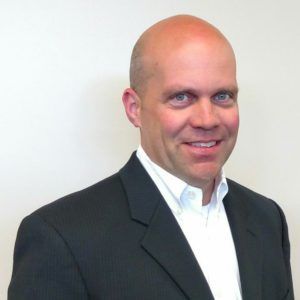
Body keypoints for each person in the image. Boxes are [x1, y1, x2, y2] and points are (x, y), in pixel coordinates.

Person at [8, 15, 294, 300]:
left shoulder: (267, 219)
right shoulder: (61, 238)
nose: (207, 119)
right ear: (134, 108)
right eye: (182, 97)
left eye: (222, 96)